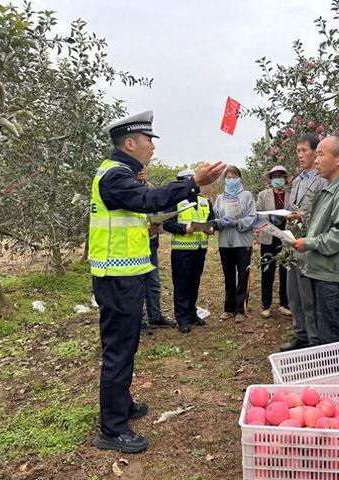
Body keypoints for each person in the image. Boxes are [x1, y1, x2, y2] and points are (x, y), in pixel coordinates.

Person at [89, 111, 225, 453]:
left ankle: (121, 405)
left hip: (127, 274)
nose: (152, 146)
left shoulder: (123, 174)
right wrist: (192, 182)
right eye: (149, 140)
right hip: (116, 276)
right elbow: (147, 200)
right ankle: (112, 428)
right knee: (119, 350)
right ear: (131, 143)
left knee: (127, 344)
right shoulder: (115, 176)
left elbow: (142, 207)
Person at [290, 135, 339, 345]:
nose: (315, 160)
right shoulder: (330, 189)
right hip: (324, 271)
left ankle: (336, 378)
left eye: (321, 154)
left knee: (332, 339)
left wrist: (310, 243)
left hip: (333, 275)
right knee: (324, 336)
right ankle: (328, 376)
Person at [281, 133, 328, 351]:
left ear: (316, 152)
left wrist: (302, 216)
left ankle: (313, 338)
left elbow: (322, 213)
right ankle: (299, 334)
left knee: (309, 296)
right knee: (293, 294)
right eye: (298, 151)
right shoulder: (298, 180)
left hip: (309, 245)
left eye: (304, 151)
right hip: (292, 243)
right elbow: (292, 208)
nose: (300, 155)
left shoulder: (323, 180)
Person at [163, 169, 214, 333]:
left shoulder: (205, 201)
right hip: (182, 250)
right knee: (181, 285)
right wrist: (185, 228)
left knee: (194, 282)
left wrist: (211, 229)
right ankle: (182, 318)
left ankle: (192, 313)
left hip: (200, 249)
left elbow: (212, 221)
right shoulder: (174, 201)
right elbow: (167, 224)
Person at [213, 166, 257, 320]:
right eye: (228, 177)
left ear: (239, 178)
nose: (231, 180)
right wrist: (221, 223)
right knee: (229, 276)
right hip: (225, 243)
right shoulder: (220, 198)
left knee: (243, 275)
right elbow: (215, 217)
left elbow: (252, 217)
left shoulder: (247, 196)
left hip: (243, 242)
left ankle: (240, 310)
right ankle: (229, 308)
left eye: (234, 176)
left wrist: (238, 222)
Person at [136, 166, 175, 336]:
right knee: (138, 283)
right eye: (137, 168)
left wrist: (157, 225)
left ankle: (155, 316)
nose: (141, 171)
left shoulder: (151, 189)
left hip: (151, 242)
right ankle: (139, 320)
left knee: (153, 281)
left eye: (143, 168)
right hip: (135, 244)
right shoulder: (128, 188)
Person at [256, 165, 291, 319]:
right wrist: (270, 217)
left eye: (281, 176)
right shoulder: (263, 195)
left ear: (285, 179)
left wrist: (287, 216)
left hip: (286, 237)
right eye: (275, 176)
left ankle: (285, 304)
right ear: (270, 179)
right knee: (267, 270)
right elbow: (258, 214)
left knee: (285, 271)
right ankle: (266, 305)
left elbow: (296, 212)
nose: (278, 179)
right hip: (268, 236)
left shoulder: (291, 195)